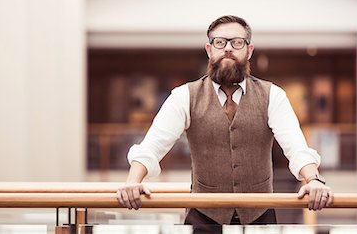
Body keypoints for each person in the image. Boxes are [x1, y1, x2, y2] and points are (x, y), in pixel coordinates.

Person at [116, 15, 333, 232]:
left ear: (249, 50)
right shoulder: (185, 96)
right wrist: (133, 181)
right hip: (203, 217)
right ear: (209, 50)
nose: (228, 49)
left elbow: (296, 147)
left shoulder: (273, 96)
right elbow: (153, 145)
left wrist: (313, 179)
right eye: (220, 42)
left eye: (237, 42)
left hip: (260, 217)